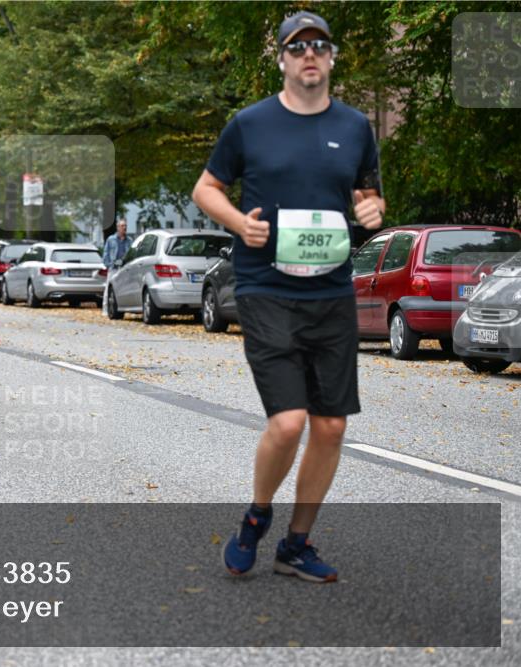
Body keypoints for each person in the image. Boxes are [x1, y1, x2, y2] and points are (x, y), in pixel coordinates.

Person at [191, 10, 384, 583]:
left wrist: (372, 212)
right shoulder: (250, 124)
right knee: (289, 421)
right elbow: (206, 188)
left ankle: (296, 545)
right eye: (297, 47)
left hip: (330, 291)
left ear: (331, 58)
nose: (309, 55)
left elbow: (367, 196)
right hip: (265, 287)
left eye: (319, 46)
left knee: (331, 426)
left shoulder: (355, 127)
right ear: (281, 59)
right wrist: (237, 224)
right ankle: (257, 516)